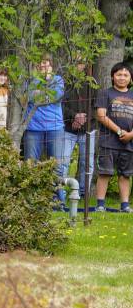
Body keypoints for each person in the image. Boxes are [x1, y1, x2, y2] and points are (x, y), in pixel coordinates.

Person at [21, 55, 66, 206]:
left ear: (52, 66)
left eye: (46, 65)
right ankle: (30, 200)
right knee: (31, 165)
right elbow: (28, 97)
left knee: (57, 166)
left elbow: (55, 96)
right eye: (40, 65)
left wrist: (39, 93)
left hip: (55, 128)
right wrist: (42, 88)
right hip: (33, 128)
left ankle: (59, 200)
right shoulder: (28, 80)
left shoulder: (58, 80)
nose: (43, 68)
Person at [94, 62, 133, 213]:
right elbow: (101, 116)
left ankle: (125, 205)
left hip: (128, 143)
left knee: (125, 175)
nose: (122, 78)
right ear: (112, 76)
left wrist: (130, 135)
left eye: (125, 75)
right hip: (108, 142)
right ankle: (100, 205)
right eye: (118, 74)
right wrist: (119, 131)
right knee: (105, 172)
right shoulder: (106, 93)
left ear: (130, 78)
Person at [61, 60, 94, 204]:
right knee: (63, 162)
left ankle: (82, 194)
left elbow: (96, 106)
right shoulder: (63, 83)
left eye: (81, 63)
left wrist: (83, 118)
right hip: (68, 129)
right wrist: (74, 116)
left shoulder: (92, 83)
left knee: (87, 163)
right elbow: (59, 106)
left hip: (88, 129)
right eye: (74, 62)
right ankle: (60, 195)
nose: (78, 66)